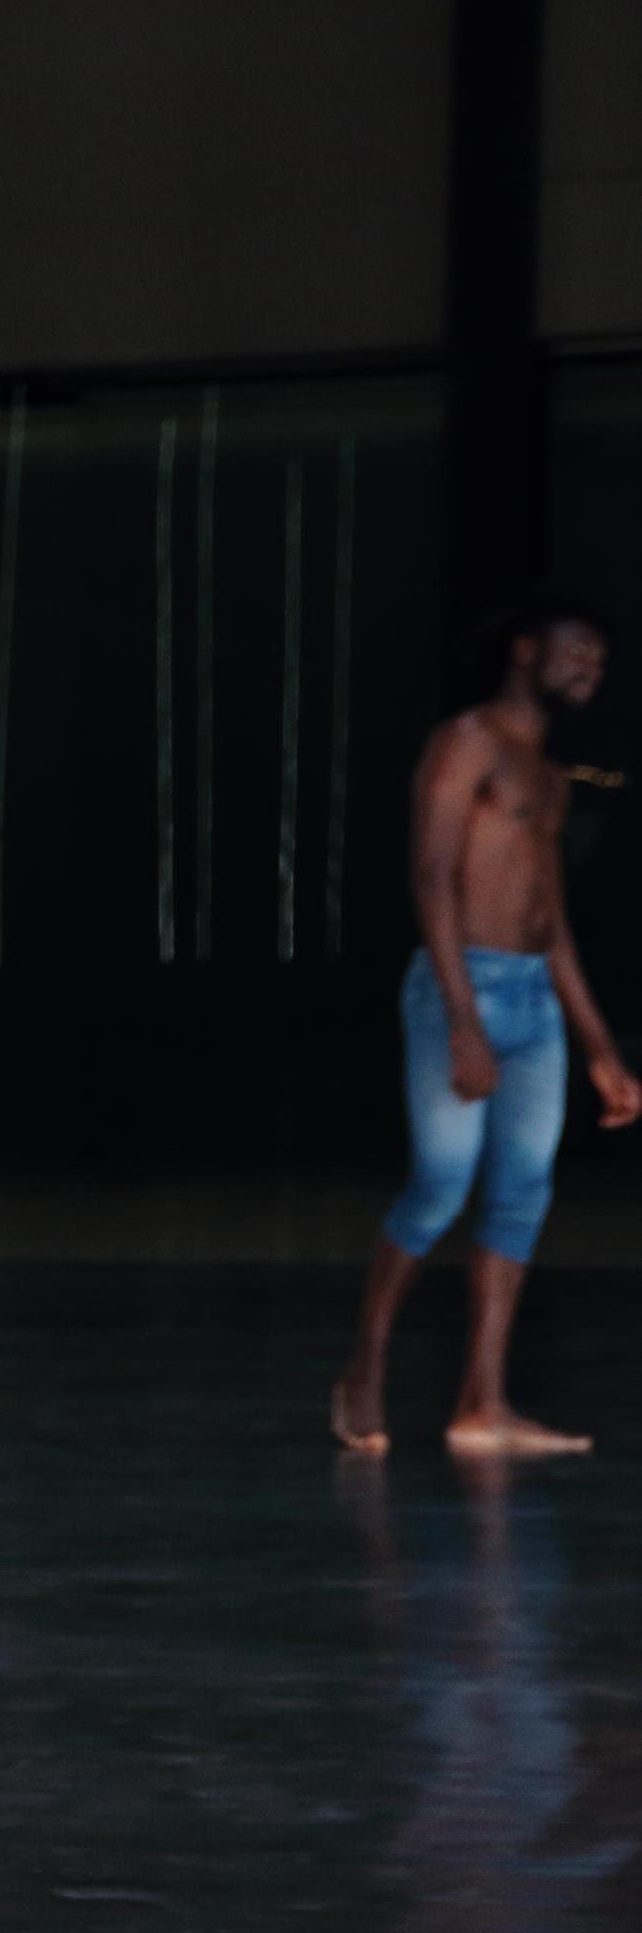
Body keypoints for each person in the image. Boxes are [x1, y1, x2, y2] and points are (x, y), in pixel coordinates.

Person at [331, 593, 640, 1455]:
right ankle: (363, 1369)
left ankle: (483, 1403)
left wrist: (602, 1048)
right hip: (458, 987)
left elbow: (553, 921)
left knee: (521, 1195)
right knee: (441, 1182)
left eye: (602, 662)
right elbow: (431, 881)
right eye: (579, 651)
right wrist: (464, 1021)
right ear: (527, 650)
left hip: (537, 998)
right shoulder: (467, 740)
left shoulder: (547, 772)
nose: (592, 670)